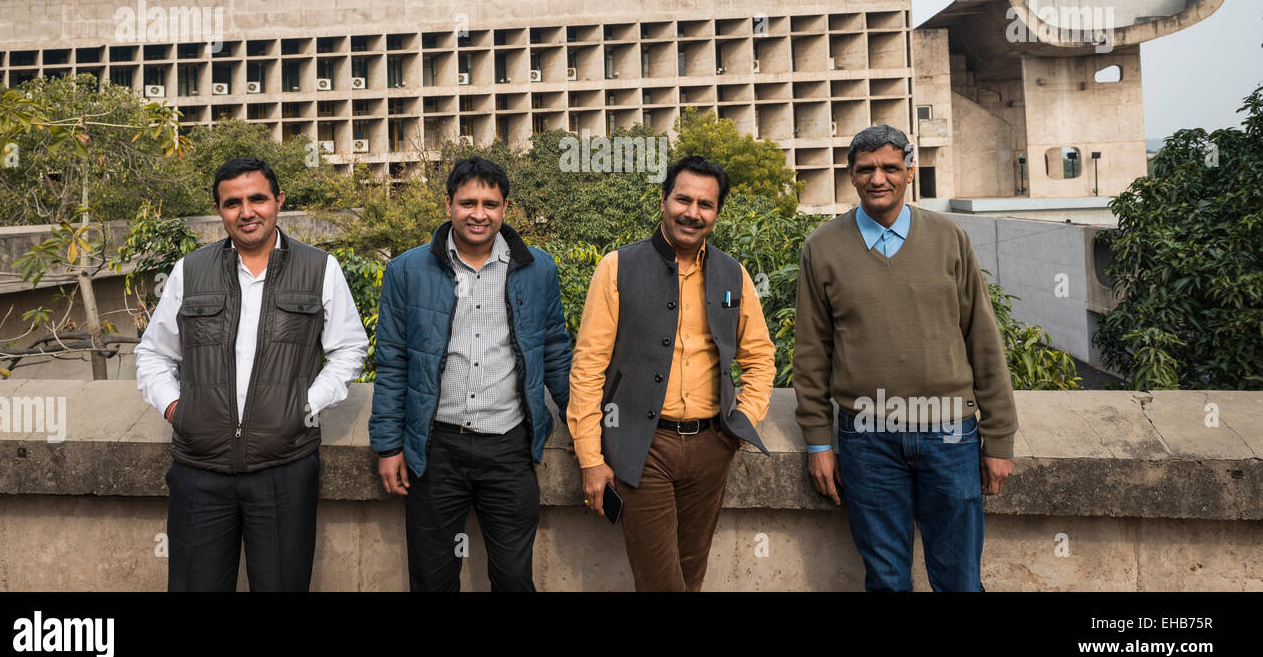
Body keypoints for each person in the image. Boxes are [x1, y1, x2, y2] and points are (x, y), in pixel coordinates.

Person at [792, 124, 1017, 591]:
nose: (879, 178)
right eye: (866, 169)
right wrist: (818, 442)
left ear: (909, 172)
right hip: (867, 436)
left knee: (960, 581)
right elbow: (812, 353)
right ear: (851, 176)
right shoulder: (822, 248)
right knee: (887, 581)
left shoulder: (949, 237)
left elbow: (983, 339)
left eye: (890, 167)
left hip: (950, 432)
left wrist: (999, 439)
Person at [135, 157, 368, 591]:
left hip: (284, 466)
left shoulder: (320, 268)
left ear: (278, 200)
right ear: (220, 210)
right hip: (200, 469)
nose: (247, 212)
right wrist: (176, 408)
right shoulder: (190, 270)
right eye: (232, 203)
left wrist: (305, 406)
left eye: (257, 198)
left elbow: (349, 348)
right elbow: (153, 353)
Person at [569, 155, 776, 591]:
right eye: (683, 199)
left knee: (690, 575)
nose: (692, 212)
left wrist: (743, 422)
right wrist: (591, 457)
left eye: (705, 204)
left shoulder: (733, 275)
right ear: (663, 199)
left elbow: (759, 357)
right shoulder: (617, 267)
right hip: (642, 449)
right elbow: (588, 367)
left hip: (711, 448)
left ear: (716, 212)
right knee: (662, 582)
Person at [369, 157, 571, 591]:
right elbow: (392, 361)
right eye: (468, 203)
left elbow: (554, 348)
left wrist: (588, 427)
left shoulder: (539, 269)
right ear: (448, 205)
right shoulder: (406, 271)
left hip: (510, 448)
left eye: (490, 204)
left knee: (514, 578)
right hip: (435, 449)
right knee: (432, 578)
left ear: (504, 209)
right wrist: (387, 446)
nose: (479, 214)